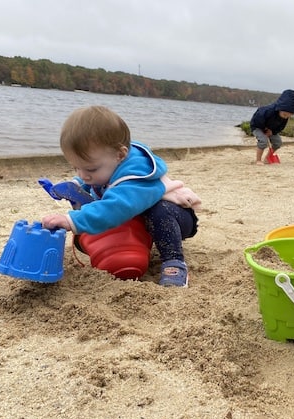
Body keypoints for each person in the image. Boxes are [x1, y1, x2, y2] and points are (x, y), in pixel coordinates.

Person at [41, 105, 200, 287]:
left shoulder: (134, 176)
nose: (83, 174)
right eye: (77, 167)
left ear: (120, 154)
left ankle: (174, 262)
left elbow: (115, 208)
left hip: (177, 217)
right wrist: (77, 184)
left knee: (158, 212)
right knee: (105, 203)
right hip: (142, 213)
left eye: (91, 169)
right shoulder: (108, 161)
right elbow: (94, 182)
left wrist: (72, 221)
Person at [250, 89, 294, 165]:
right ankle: (258, 160)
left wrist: (272, 132)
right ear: (280, 108)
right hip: (258, 127)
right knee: (263, 141)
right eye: (284, 115)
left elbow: (281, 127)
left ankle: (267, 158)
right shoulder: (268, 110)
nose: (285, 117)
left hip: (271, 129)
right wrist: (264, 129)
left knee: (278, 143)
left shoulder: (285, 117)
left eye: (289, 116)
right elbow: (257, 119)